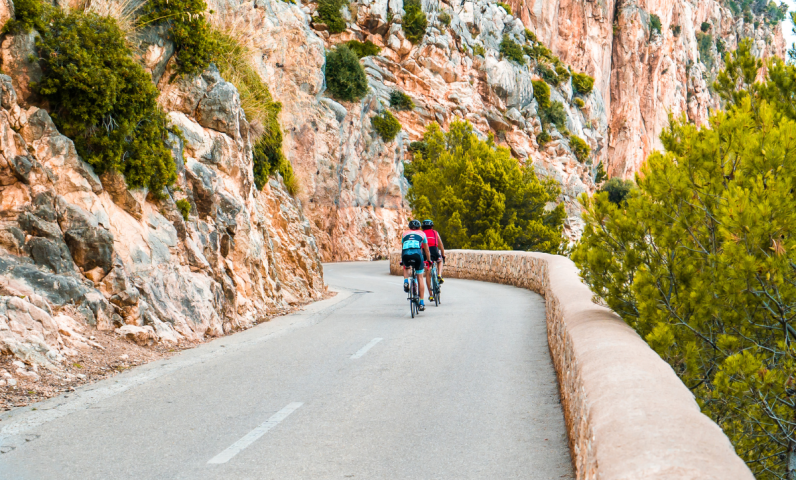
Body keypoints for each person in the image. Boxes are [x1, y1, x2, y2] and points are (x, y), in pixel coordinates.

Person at [401, 219, 431, 311]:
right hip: (417, 254)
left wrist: (402, 260)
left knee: (406, 266)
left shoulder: (404, 234)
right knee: (420, 277)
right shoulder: (422, 234)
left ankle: (406, 281)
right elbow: (426, 249)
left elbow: (403, 248)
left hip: (406, 254)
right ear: (419, 227)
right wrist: (429, 260)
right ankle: (421, 303)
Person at [421, 219, 445, 302]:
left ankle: (431, 295)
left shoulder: (422, 233)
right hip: (434, 251)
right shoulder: (435, 232)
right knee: (440, 260)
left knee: (428, 272)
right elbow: (441, 244)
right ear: (432, 226)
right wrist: (443, 254)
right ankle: (439, 275)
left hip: (425, 252)